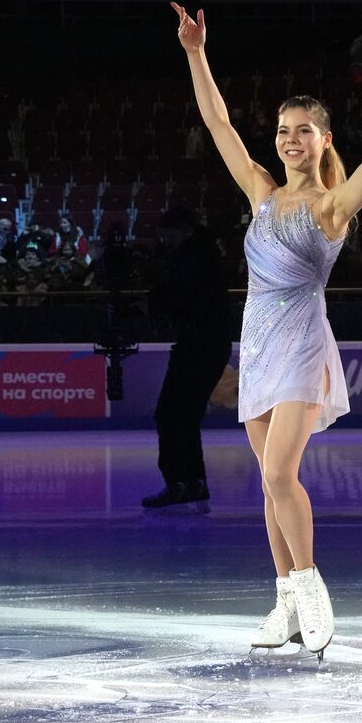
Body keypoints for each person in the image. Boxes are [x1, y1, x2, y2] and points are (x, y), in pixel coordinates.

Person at [172, 0, 362, 661]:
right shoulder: (262, 193)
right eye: (282, 129)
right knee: (269, 484)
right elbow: (216, 121)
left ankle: (310, 587)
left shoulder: (328, 207)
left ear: (324, 138)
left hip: (304, 348)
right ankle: (284, 602)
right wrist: (196, 52)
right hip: (260, 349)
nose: (288, 139)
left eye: (303, 130)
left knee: (279, 472)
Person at [142, 206, 234, 511]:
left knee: (170, 414)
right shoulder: (203, 256)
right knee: (183, 416)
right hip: (207, 343)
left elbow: (183, 298)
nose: (166, 242)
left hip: (200, 343)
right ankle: (193, 482)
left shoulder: (194, 262)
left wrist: (158, 301)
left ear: (186, 231)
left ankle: (180, 483)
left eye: (170, 236)